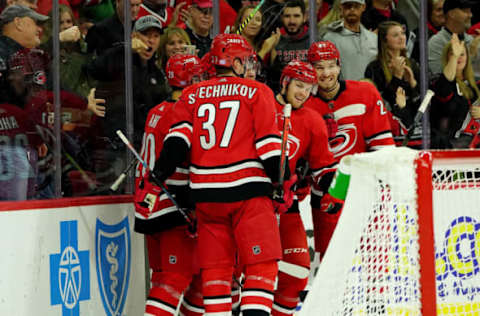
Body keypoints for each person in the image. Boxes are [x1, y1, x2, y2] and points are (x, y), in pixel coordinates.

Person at [152, 33, 287, 316]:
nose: (249, 66)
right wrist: (279, 180)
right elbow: (269, 146)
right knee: (260, 267)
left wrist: (159, 174)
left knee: (216, 272)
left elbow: (176, 143)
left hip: (206, 196)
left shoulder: (191, 94)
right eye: (246, 60)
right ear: (236, 62)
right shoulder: (257, 91)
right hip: (248, 193)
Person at [306, 40, 395, 260]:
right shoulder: (304, 103)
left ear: (339, 66)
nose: (326, 73)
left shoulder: (364, 93)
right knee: (332, 262)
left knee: (373, 259)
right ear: (310, 70)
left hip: (362, 191)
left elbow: (383, 149)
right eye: (319, 67)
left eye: (330, 65)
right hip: (324, 195)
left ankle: (374, 295)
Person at [135, 53, 205, 316]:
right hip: (172, 205)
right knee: (174, 279)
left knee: (173, 277)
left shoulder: (158, 109)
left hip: (149, 204)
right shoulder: (183, 112)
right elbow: (178, 158)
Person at [272, 60, 336, 316]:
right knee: (245, 276)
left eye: (309, 88)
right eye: (299, 85)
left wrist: (337, 183)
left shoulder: (311, 119)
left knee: (298, 272)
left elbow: (323, 169)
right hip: (251, 202)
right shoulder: (262, 105)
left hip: (286, 204)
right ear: (285, 83)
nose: (304, 93)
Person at [365, 21, 421, 147]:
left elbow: (422, 103)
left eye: (403, 33)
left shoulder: (413, 64)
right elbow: (382, 103)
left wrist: (413, 83)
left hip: (415, 129)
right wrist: (396, 78)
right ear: (384, 41)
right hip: (390, 130)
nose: (402, 37)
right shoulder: (374, 68)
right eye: (396, 35)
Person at [430, 34, 480, 149]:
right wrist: (454, 57)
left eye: (462, 54)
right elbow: (444, 89)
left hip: (474, 142)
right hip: (448, 144)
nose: (459, 58)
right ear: (447, 58)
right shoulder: (439, 82)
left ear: (467, 57)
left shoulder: (476, 84)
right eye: (453, 54)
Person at [321, 0, 377, 80]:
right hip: (344, 90)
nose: (352, 9)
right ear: (341, 7)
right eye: (348, 6)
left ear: (363, 7)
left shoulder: (373, 38)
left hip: (370, 90)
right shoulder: (330, 39)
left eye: (356, 6)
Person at [428, 0, 479, 78]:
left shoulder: (471, 40)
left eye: (470, 11)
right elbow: (439, 79)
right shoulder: (436, 43)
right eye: (465, 11)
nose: (470, 15)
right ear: (451, 14)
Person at [268, 0, 310, 92]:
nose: (292, 21)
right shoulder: (274, 39)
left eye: (296, 16)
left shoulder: (314, 40)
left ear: (305, 17)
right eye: (287, 16)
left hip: (308, 94)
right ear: (281, 17)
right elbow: (269, 76)